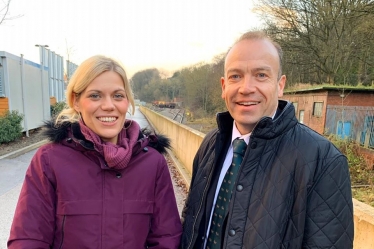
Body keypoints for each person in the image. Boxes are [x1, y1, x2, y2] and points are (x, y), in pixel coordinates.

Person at [180, 31, 354, 249]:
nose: (246, 88)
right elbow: (191, 222)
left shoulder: (323, 160)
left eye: (261, 75)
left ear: (280, 85)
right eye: (235, 76)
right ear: (224, 86)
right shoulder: (211, 144)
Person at [8, 55, 182, 249]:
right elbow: (29, 240)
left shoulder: (152, 163)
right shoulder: (49, 161)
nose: (109, 105)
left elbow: (167, 239)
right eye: (95, 95)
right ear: (76, 101)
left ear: (127, 102)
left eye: (118, 95)